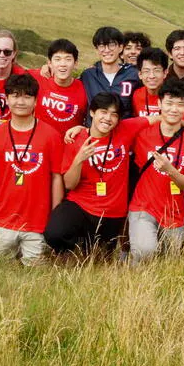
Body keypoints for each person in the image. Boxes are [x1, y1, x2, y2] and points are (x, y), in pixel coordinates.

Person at [0, 73, 64, 263]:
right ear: (7, 99)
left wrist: (55, 220)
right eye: (16, 95)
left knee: (36, 277)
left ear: (36, 101)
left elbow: (56, 178)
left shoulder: (51, 135)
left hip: (38, 224)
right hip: (2, 221)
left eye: (27, 96)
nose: (21, 101)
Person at [44, 92, 133, 256]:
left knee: (100, 256)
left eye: (114, 114)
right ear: (92, 112)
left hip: (112, 212)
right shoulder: (75, 139)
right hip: (81, 205)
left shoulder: (125, 130)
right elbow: (70, 185)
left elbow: (160, 119)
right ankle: (70, 252)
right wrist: (79, 159)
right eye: (103, 112)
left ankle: (85, 249)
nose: (108, 118)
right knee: (54, 233)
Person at [128, 78, 184, 261]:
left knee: (170, 262)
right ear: (159, 103)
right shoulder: (142, 133)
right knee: (146, 251)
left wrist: (170, 169)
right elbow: (111, 129)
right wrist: (77, 128)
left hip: (174, 212)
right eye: (169, 103)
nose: (174, 109)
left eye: (180, 104)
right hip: (143, 207)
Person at [80, 26, 140, 116]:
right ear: (97, 49)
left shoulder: (133, 74)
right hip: (94, 128)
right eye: (102, 46)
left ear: (120, 47)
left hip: (124, 128)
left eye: (111, 45)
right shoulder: (88, 75)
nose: (107, 50)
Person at [36, 38, 87, 132]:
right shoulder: (38, 79)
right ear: (49, 63)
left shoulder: (85, 89)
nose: (62, 64)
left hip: (69, 145)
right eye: (57, 59)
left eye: (68, 59)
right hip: (40, 144)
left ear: (75, 63)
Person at [131, 47, 168, 118]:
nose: (151, 76)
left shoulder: (174, 97)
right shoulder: (136, 95)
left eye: (156, 70)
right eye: (146, 71)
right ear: (140, 74)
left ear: (165, 73)